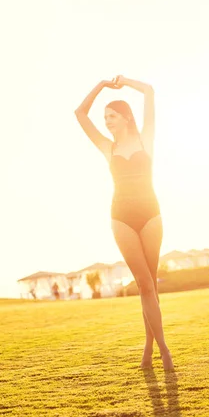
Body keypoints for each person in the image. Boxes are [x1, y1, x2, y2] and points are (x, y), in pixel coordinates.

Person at [74, 75, 174, 371]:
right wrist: (101, 86)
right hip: (121, 218)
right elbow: (80, 114)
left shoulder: (147, 139)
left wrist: (124, 81)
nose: (106, 121)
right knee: (143, 284)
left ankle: (147, 348)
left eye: (112, 116)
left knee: (150, 286)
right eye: (105, 117)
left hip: (151, 213)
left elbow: (149, 91)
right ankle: (164, 351)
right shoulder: (108, 147)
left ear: (127, 117)